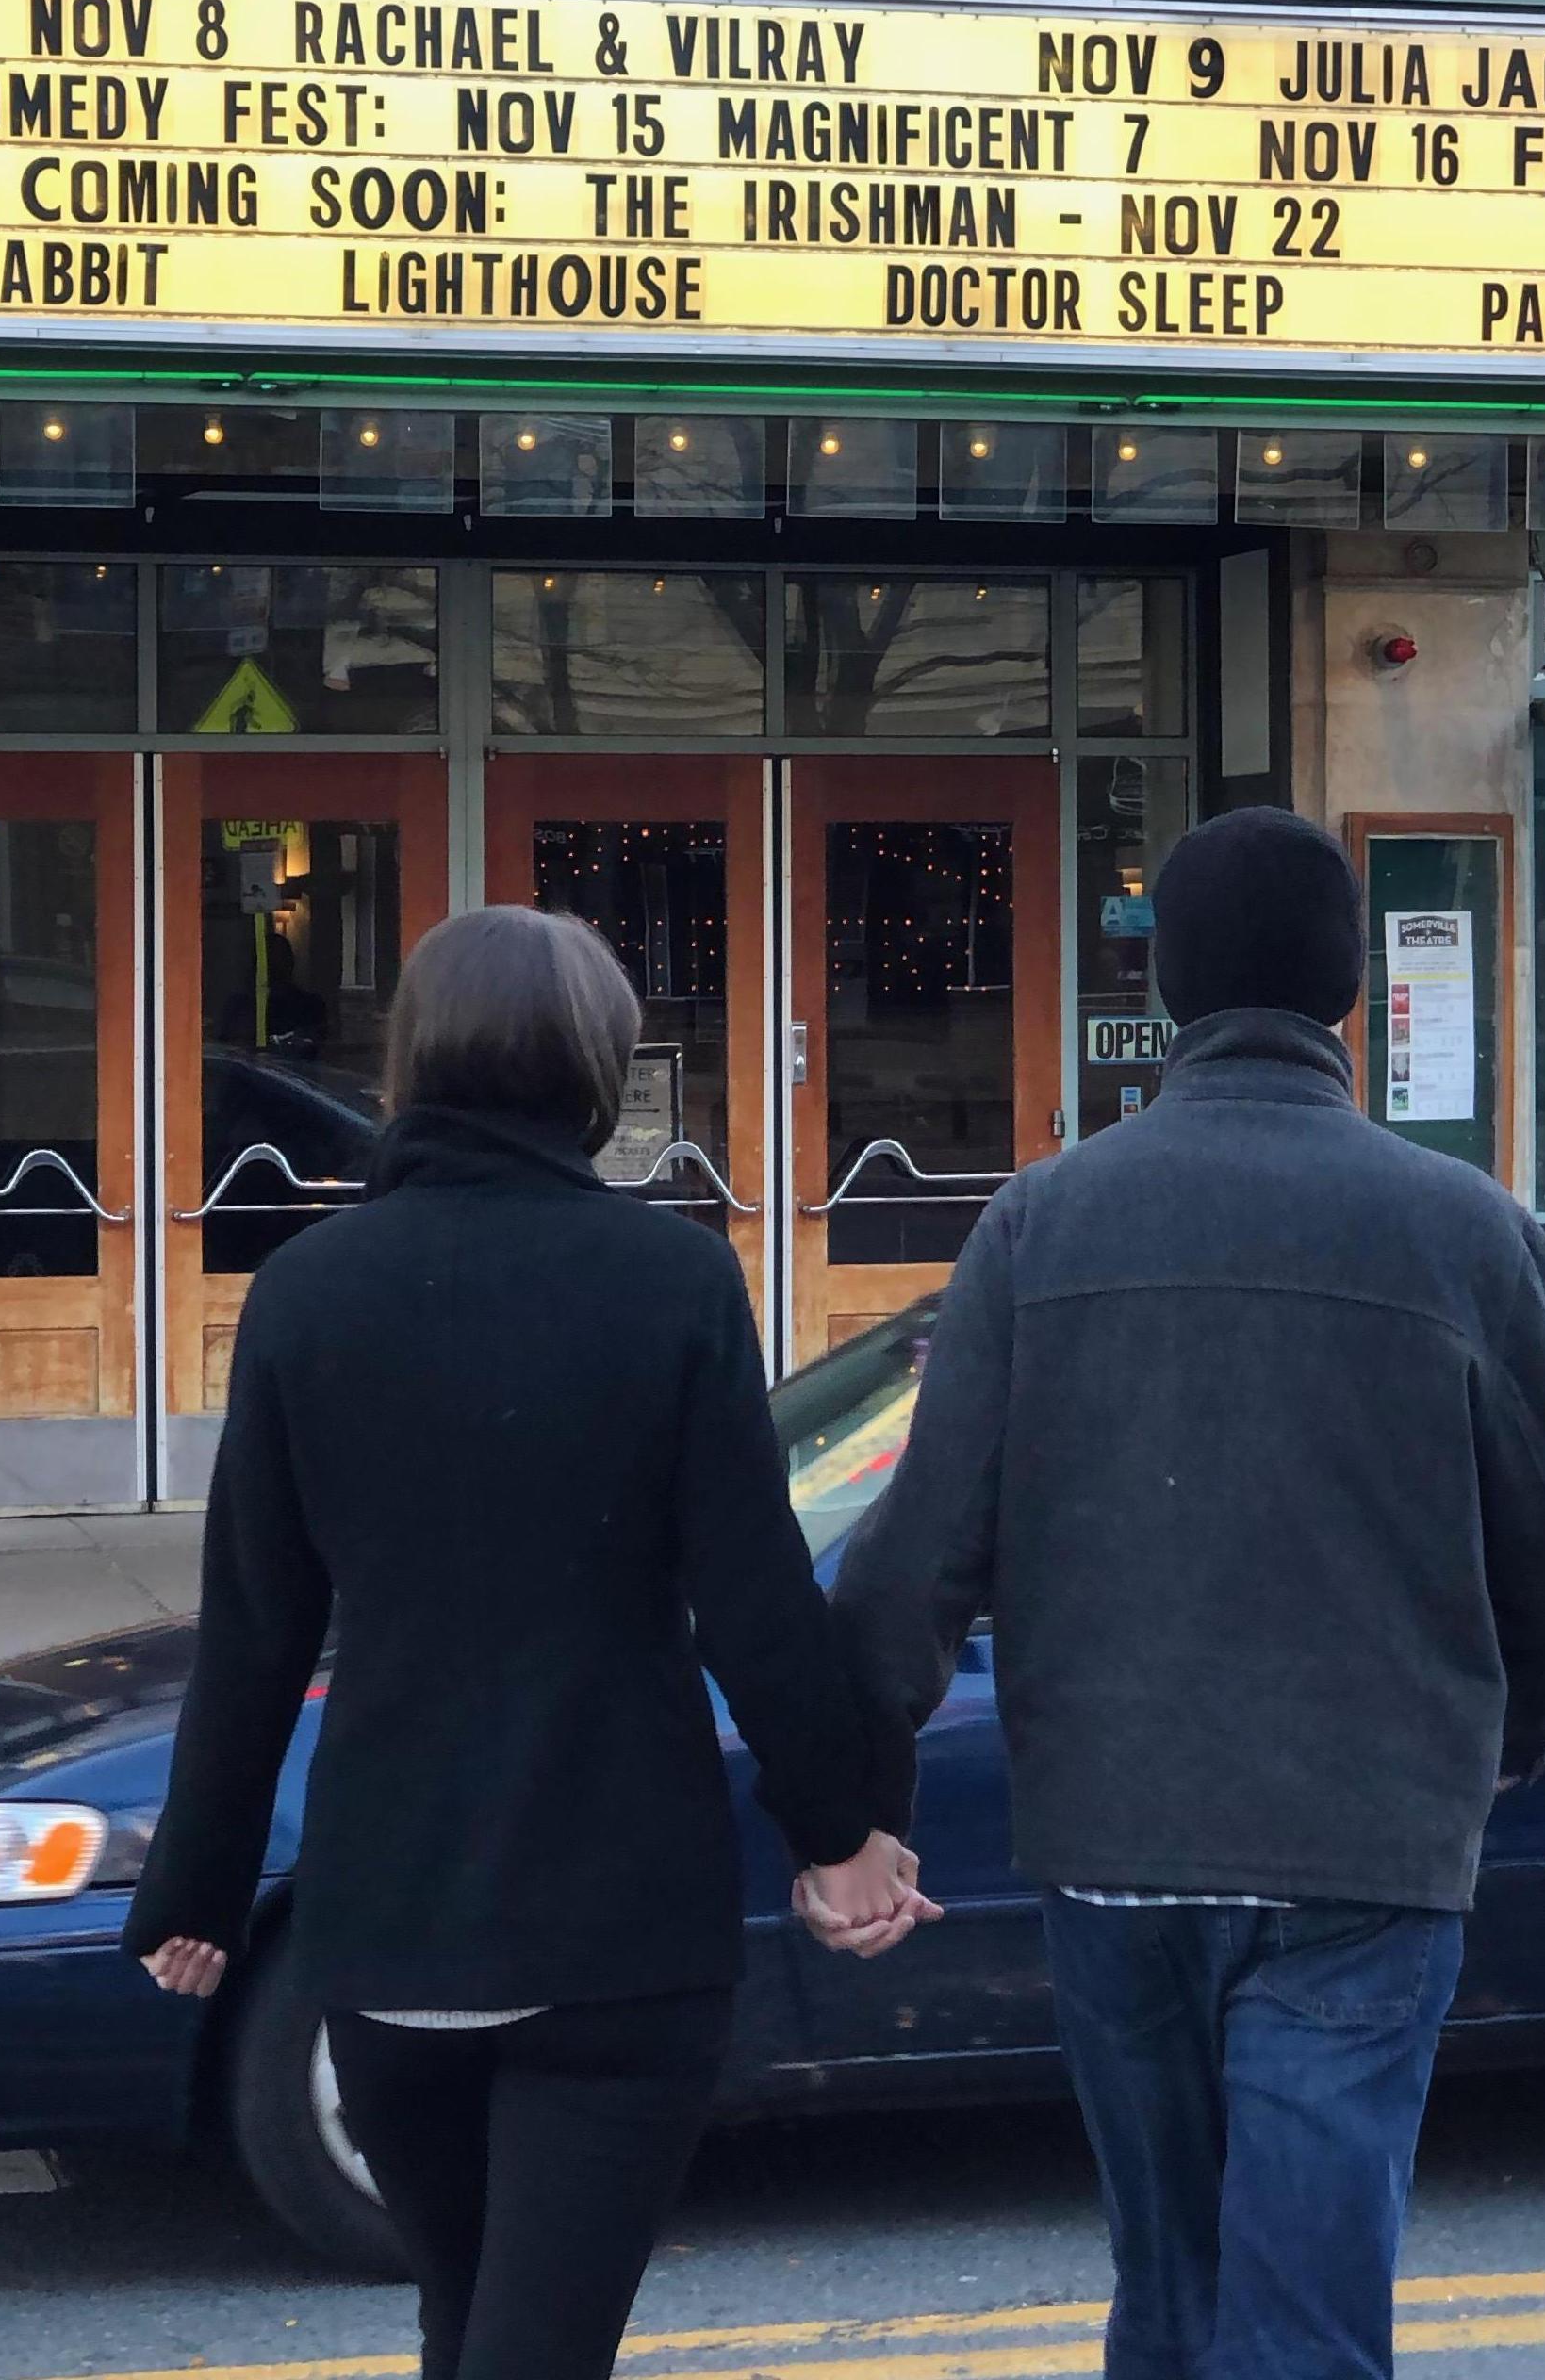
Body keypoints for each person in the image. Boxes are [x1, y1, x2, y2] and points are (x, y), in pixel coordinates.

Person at [821, 807, 1545, 2380]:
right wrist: (1486, 1747)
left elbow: (916, 1557)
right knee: (1311, 2320)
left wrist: (856, 1800)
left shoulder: (1040, 1224)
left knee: (1174, 2287)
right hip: (1366, 1840)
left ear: (1171, 985)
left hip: (1119, 1837)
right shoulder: (1464, 1230)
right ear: (1348, 993)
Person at [124, 904, 934, 2380]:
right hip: (616, 1922)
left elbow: (255, 1622)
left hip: (389, 1919)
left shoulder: (307, 1292)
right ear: (597, 1071)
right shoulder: (670, 1281)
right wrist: (848, 1832)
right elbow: (754, 1604)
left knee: (465, 2320)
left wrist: (200, 1880)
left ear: (408, 1064)